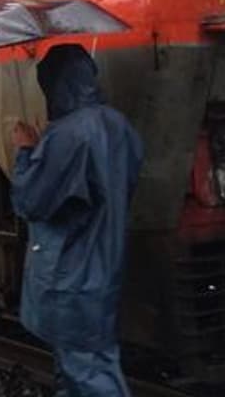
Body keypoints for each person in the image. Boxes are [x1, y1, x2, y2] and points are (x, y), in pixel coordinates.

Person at [10, 44, 144, 397]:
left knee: (88, 370)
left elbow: (30, 201)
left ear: (54, 86)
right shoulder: (119, 125)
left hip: (71, 273)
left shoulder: (66, 135)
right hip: (104, 261)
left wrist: (26, 151)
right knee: (81, 366)